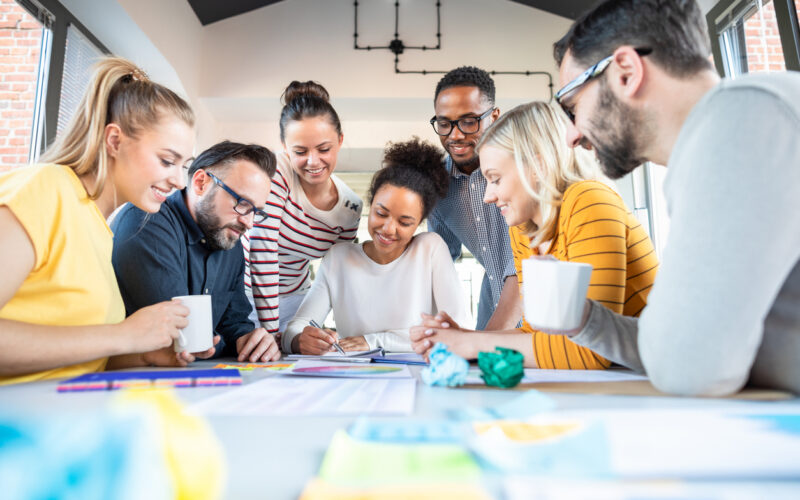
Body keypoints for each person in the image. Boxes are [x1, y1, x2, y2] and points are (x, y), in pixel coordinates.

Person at [549, 0, 800, 395]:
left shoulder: (741, 121)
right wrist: (583, 320)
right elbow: (677, 342)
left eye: (571, 106)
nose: (572, 134)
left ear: (627, 72)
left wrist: (688, 352)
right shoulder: (736, 123)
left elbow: (689, 367)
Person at [411, 101, 659, 368]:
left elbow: (592, 350)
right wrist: (463, 338)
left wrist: (471, 345)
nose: (488, 196)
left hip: (662, 375)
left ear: (537, 167)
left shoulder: (589, 200)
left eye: (495, 179)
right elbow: (534, 335)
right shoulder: (523, 230)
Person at [0, 57, 196, 384]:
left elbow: (71, 357)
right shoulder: (46, 188)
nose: (178, 181)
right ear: (114, 141)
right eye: (166, 161)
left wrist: (143, 353)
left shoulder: (100, 229)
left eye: (184, 166)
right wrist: (123, 335)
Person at [284, 138, 468, 354]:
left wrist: (376, 341)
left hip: (416, 378)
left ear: (418, 224)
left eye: (405, 222)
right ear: (370, 206)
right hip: (356, 377)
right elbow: (295, 329)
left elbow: (457, 331)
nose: (389, 229)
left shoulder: (429, 248)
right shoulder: (339, 258)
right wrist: (299, 341)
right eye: (381, 213)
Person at [112, 141, 281, 363]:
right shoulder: (146, 221)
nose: (248, 222)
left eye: (256, 212)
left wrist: (253, 342)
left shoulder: (230, 242)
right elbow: (183, 340)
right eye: (242, 203)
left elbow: (235, 325)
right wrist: (228, 342)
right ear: (201, 183)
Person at [244, 81, 362, 336]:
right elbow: (263, 247)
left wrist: (346, 331)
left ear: (340, 141)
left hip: (296, 301)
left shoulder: (350, 208)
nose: (313, 161)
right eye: (300, 151)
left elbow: (336, 274)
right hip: (244, 294)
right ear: (285, 146)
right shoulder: (277, 168)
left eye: (324, 149)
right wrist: (271, 332)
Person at [428, 66, 521, 330]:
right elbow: (439, 263)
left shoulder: (522, 169)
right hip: (491, 313)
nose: (455, 135)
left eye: (469, 121)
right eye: (444, 124)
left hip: (543, 317)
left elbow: (528, 265)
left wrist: (486, 341)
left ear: (494, 117)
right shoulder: (438, 187)